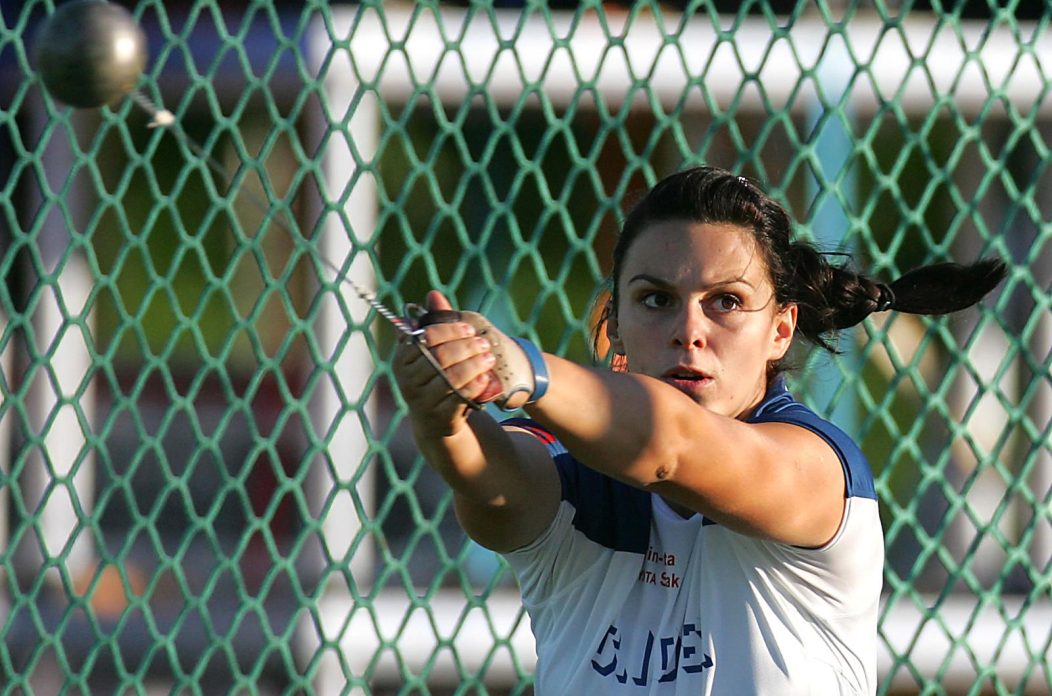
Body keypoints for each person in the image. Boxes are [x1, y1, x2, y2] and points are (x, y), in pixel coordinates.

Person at [391, 166, 1006, 694]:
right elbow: (491, 482)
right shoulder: (566, 466)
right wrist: (441, 414)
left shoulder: (817, 469)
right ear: (617, 324)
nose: (690, 329)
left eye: (727, 302)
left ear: (782, 330)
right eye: (656, 299)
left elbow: (673, 448)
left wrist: (525, 368)